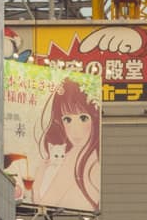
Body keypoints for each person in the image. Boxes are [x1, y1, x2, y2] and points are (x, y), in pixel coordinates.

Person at [34, 77, 102, 210]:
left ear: (95, 118)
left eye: (83, 118)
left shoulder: (95, 165)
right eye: (67, 119)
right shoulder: (54, 160)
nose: (75, 130)